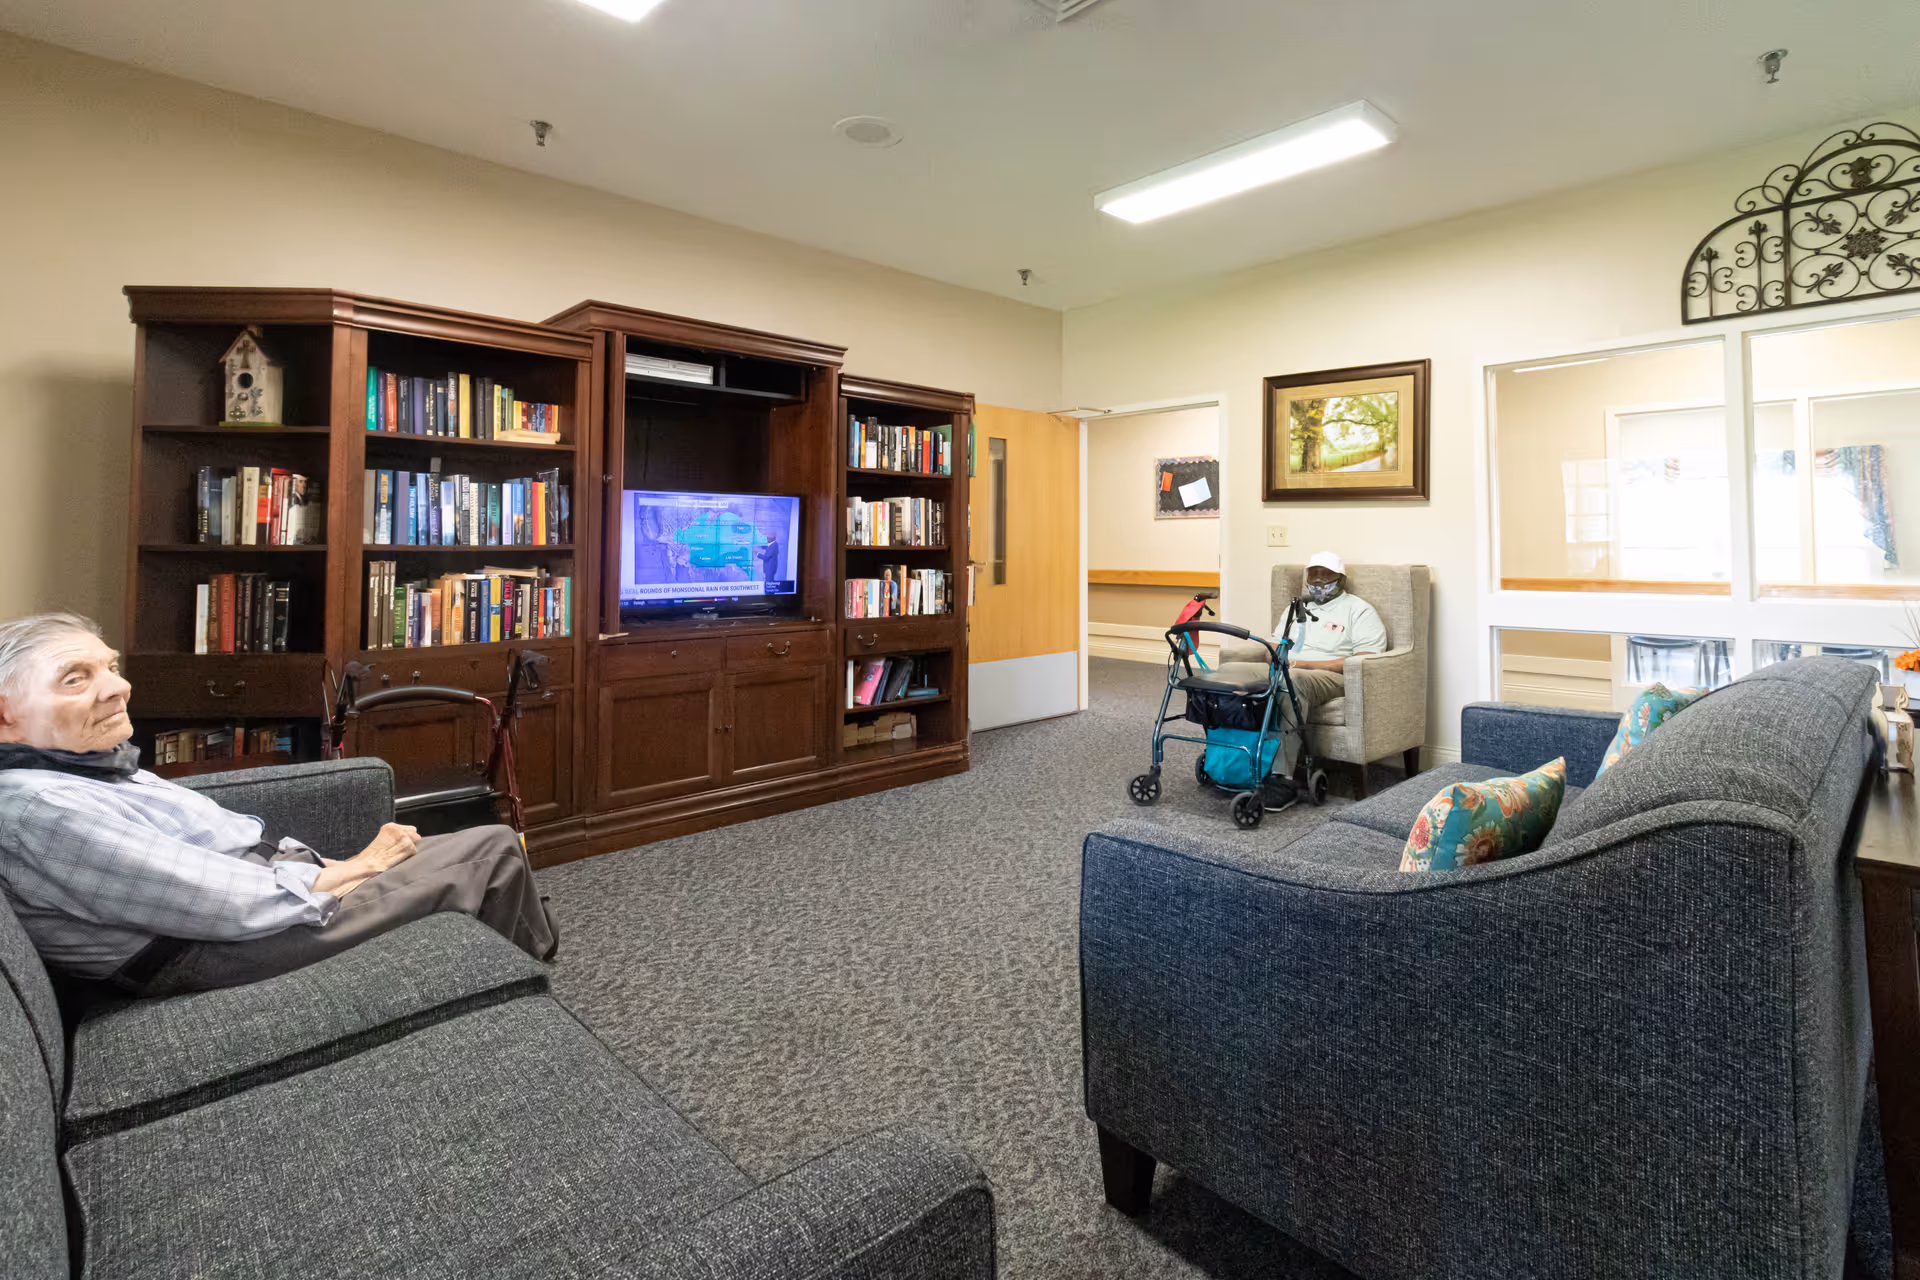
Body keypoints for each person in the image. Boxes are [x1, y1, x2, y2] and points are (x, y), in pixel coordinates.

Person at [0, 612, 558, 997]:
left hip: (253, 905)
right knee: (492, 851)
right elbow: (219, 904)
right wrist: (361, 866)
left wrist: (333, 868)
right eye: (76, 679)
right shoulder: (41, 809)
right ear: (5, 715)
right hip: (219, 947)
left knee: (471, 851)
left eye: (110, 667)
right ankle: (534, 979)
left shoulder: (78, 766)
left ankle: (507, 977)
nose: (117, 688)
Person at [1276, 552, 1387, 771]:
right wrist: (1274, 657)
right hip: (1285, 667)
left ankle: (1279, 776)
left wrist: (1307, 666)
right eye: (1313, 575)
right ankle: (1230, 762)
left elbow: (1366, 659)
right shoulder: (1296, 608)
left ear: (1341, 580)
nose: (1318, 582)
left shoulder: (1358, 609)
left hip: (1330, 677)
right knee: (1234, 671)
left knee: (1293, 679)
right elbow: (1273, 643)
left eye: (1325, 576)